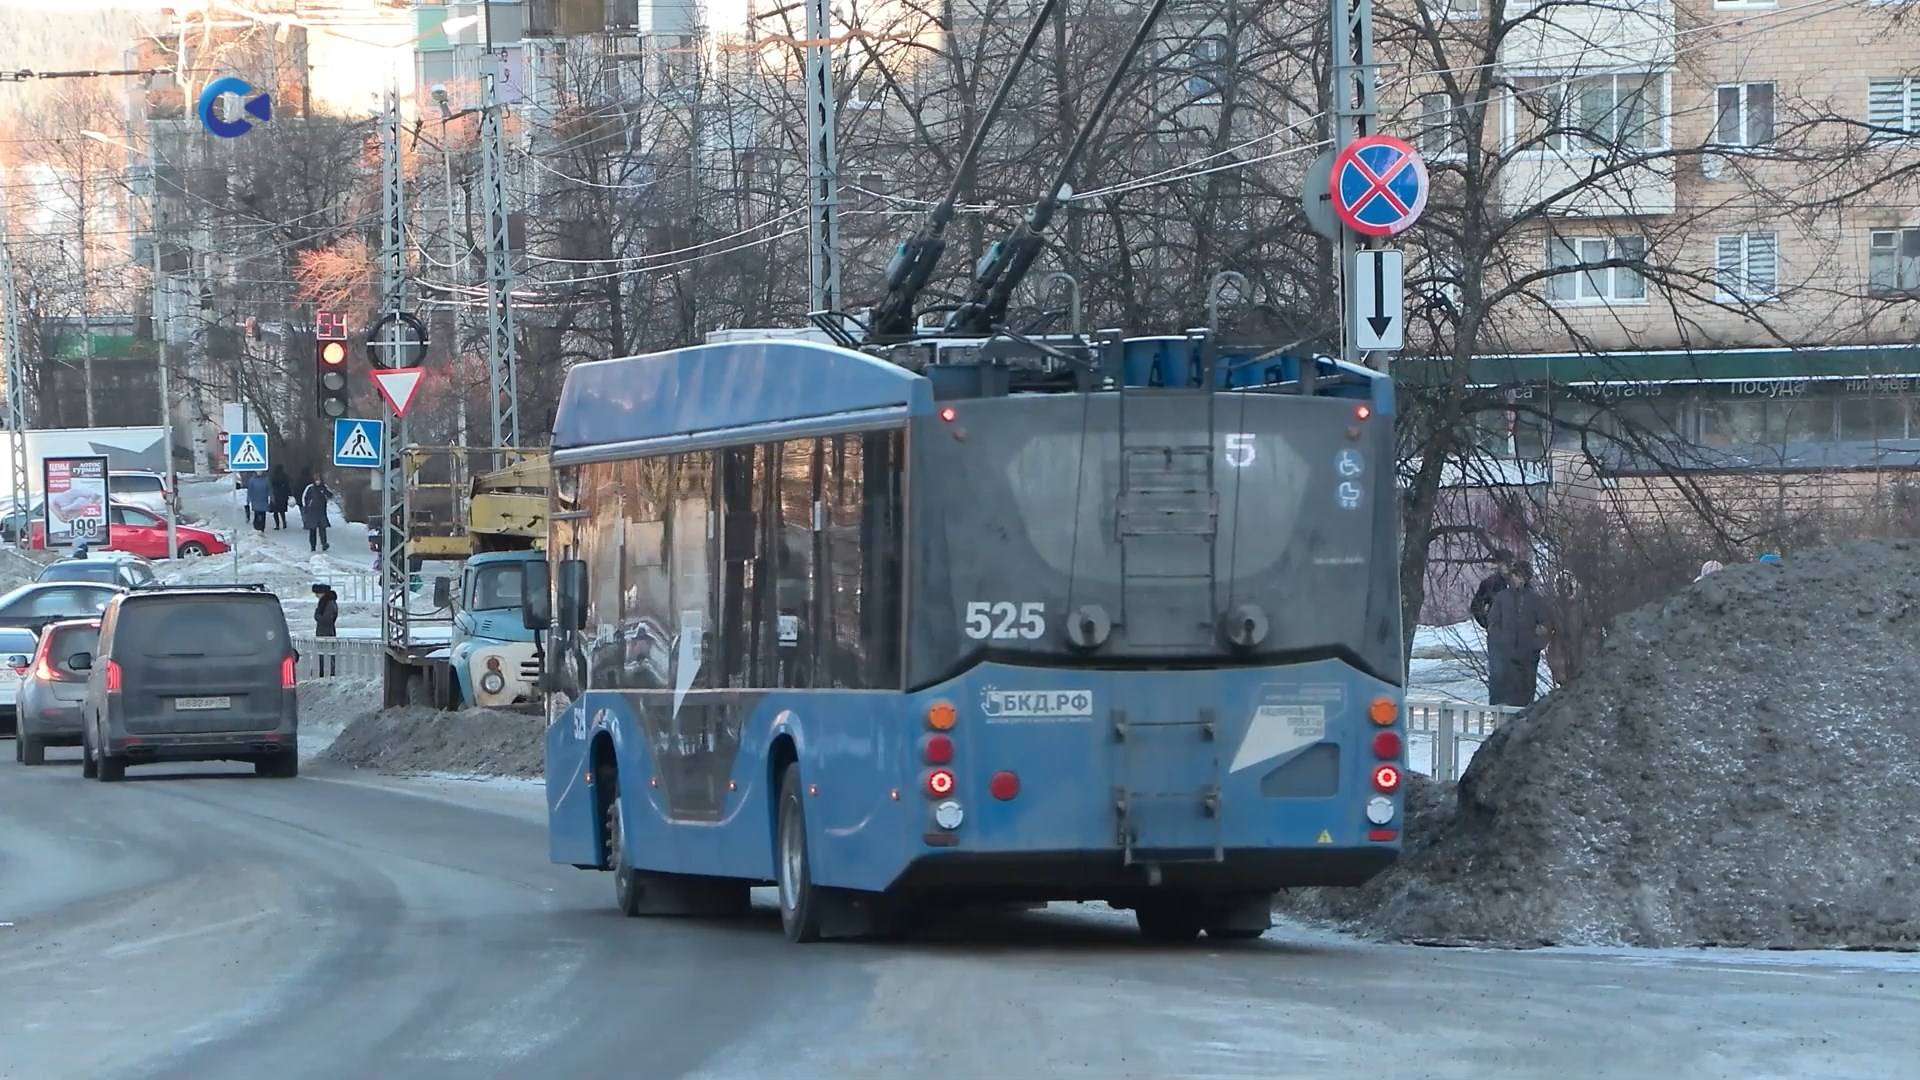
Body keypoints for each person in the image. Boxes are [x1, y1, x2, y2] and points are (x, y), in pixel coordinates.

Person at [1487, 561, 1552, 708]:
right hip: (1504, 655)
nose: (1516, 579)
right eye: (1515, 575)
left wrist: (1535, 646)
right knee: (1501, 691)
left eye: (1520, 576)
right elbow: (1492, 623)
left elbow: (1545, 625)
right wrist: (1500, 642)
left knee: (1525, 693)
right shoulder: (1502, 598)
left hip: (1527, 656)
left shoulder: (1535, 599)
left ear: (1526, 578)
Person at [1469, 548, 1514, 630]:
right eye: (1504, 563)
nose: (1508, 566)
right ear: (1499, 564)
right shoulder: (1489, 584)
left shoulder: (1519, 582)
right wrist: (1487, 624)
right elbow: (1475, 606)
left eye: (1510, 563)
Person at [299, 473, 334, 553]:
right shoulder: (310, 488)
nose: (318, 481)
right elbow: (304, 498)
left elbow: (330, 495)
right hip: (312, 512)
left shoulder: (324, 487)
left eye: (319, 480)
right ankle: (313, 546)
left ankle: (324, 544)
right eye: (316, 480)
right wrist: (307, 507)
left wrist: (325, 492)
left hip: (321, 512)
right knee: (313, 530)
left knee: (322, 529)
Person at [311, 583, 339, 676]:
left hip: (327, 632)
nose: (316, 596)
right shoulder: (325, 602)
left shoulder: (329, 603)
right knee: (323, 653)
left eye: (317, 593)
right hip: (324, 632)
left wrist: (317, 615)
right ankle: (323, 670)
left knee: (328, 653)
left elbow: (327, 619)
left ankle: (329, 671)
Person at [269, 465, 292, 531]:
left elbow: (271, 485)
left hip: (275, 495)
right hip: (283, 496)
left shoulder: (273, 476)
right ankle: (284, 523)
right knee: (282, 511)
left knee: (275, 512)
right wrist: (289, 494)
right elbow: (288, 485)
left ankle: (277, 525)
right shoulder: (285, 476)